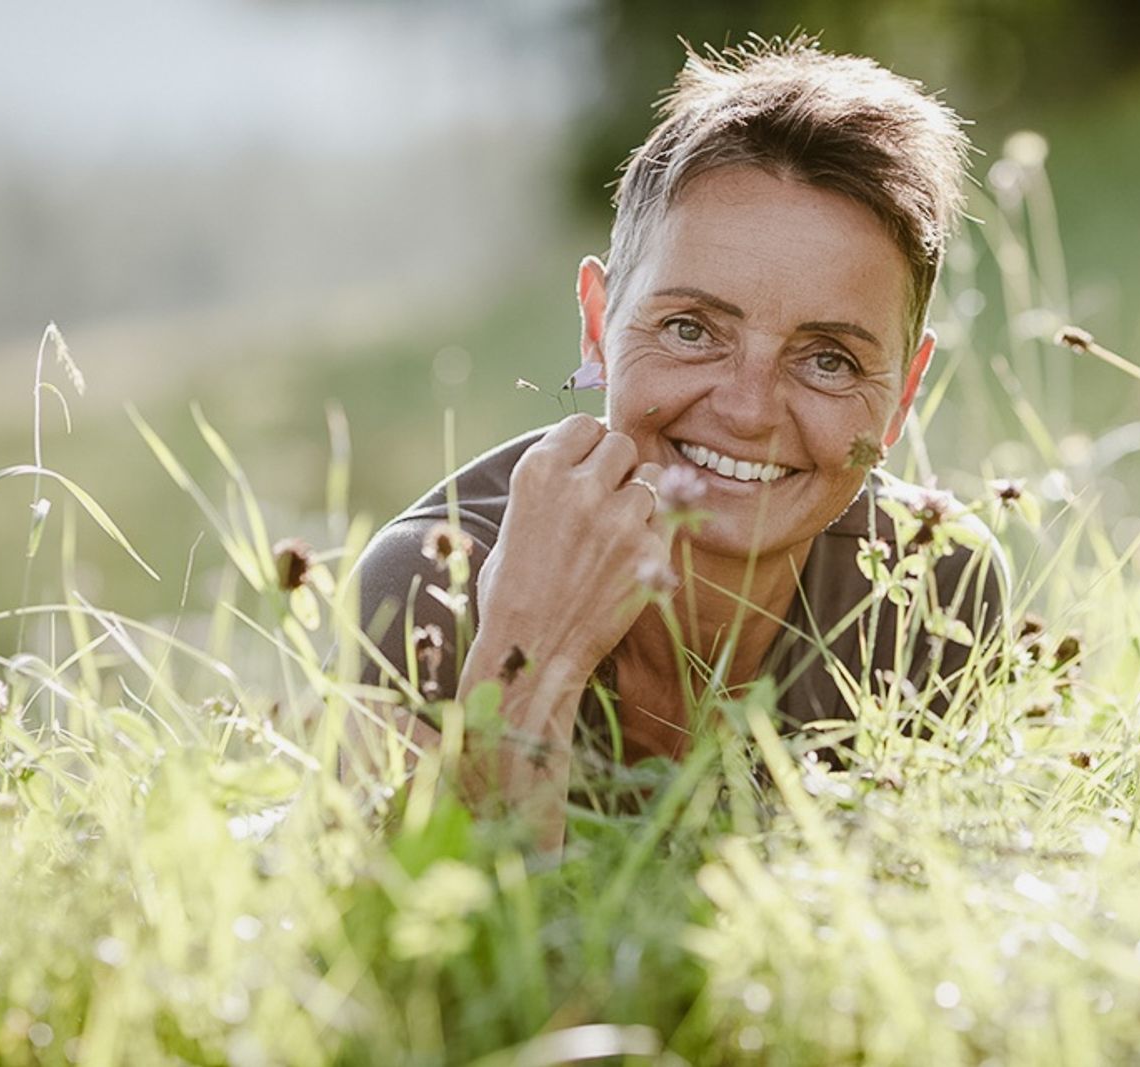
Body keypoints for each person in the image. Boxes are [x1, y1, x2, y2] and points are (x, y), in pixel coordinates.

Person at [355, 36, 1004, 851]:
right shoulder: (432, 586)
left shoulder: (926, 591)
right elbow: (453, 940)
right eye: (691, 329)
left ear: (902, 394)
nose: (747, 409)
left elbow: (913, 925)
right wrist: (527, 657)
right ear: (599, 326)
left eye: (829, 359)